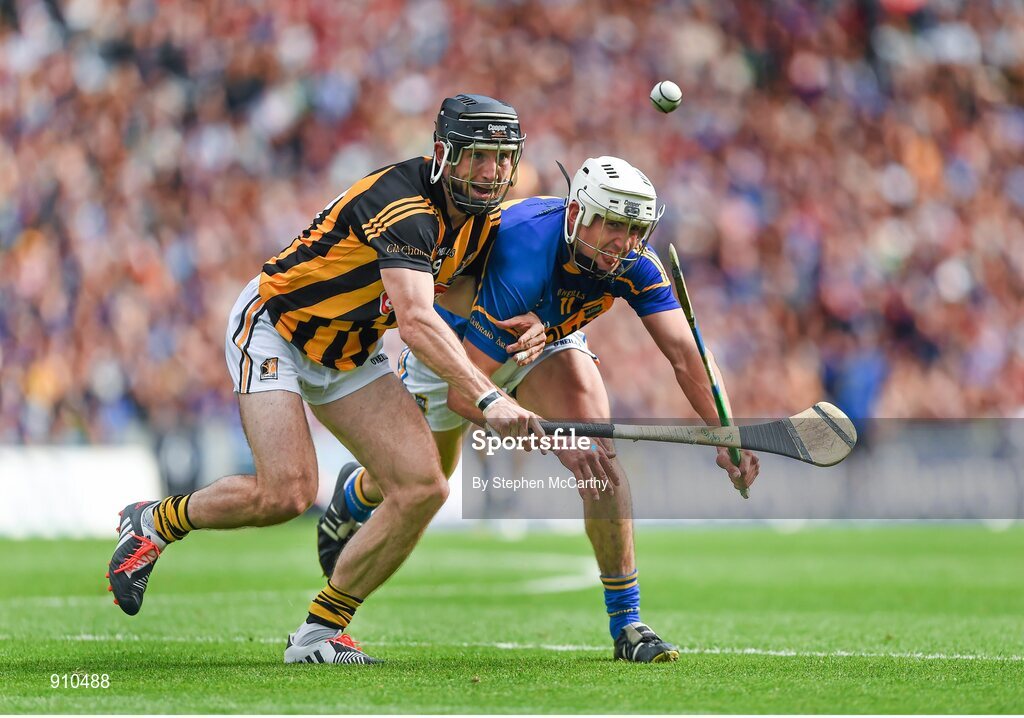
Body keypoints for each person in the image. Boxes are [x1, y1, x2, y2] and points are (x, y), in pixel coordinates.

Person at [106, 94, 594, 665]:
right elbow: (415, 318)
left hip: (351, 348)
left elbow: (462, 297)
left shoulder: (481, 223)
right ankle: (155, 521)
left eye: (502, 158)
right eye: (476, 157)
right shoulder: (405, 205)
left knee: (423, 486)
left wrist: (542, 329)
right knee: (285, 493)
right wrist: (490, 396)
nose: (490, 173)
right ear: (443, 154)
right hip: (278, 328)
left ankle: (320, 633)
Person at [317, 156, 760, 663]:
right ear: (576, 214)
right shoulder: (525, 246)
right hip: (460, 351)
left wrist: (726, 431)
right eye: (614, 225)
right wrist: (556, 441)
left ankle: (628, 624)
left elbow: (686, 356)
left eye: (635, 228)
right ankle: (355, 494)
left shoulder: (634, 261)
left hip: (545, 341)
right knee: (421, 483)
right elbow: (469, 392)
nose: (625, 242)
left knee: (601, 461)